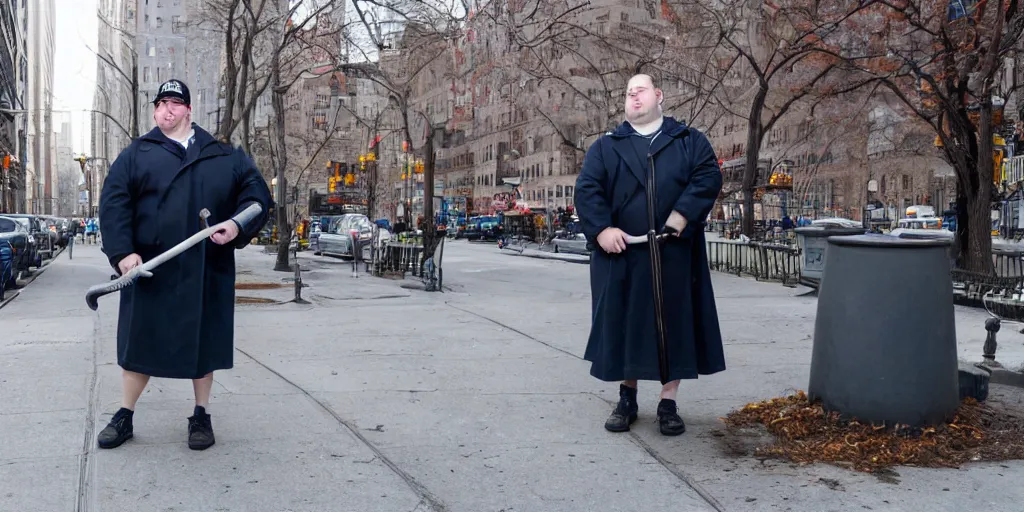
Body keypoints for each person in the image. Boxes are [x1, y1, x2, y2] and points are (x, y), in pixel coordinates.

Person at [96, 79, 273, 450]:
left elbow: (257, 195)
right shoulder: (136, 154)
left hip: (205, 270)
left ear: (188, 110)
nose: (167, 110)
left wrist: (235, 223)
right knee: (139, 347)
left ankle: (200, 415)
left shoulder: (223, 155)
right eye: (161, 104)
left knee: (202, 346)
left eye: (175, 104)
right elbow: (113, 204)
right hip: (149, 270)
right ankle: (125, 414)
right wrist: (123, 253)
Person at [574, 73, 725, 436]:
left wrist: (681, 216)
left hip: (674, 252)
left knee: (674, 323)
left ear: (658, 95)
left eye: (639, 90)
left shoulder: (688, 141)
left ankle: (668, 401)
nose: (633, 97)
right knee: (626, 323)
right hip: (621, 253)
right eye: (628, 93)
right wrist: (602, 230)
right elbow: (588, 190)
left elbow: (707, 177)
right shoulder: (606, 147)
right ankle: (627, 398)